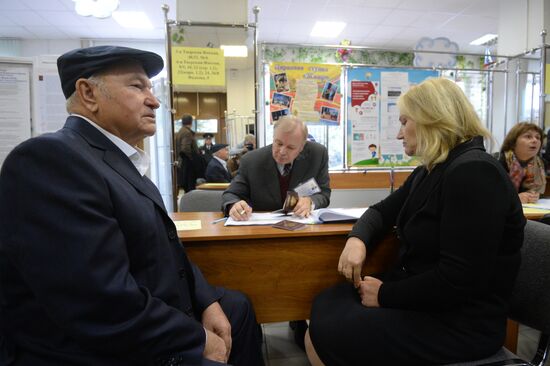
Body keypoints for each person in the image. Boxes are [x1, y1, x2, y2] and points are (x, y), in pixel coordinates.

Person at [0, 45, 263, 366]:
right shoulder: (49, 160)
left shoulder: (119, 162)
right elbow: (98, 302)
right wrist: (198, 339)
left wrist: (207, 301)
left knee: (238, 308)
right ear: (88, 93)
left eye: (151, 88)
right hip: (96, 347)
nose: (154, 100)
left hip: (150, 304)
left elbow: (171, 248)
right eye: (137, 86)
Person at [306, 78, 526, 366]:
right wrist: (357, 238)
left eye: (404, 121)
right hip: (427, 301)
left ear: (430, 119)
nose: (399, 134)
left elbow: (458, 280)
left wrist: (386, 294)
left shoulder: (475, 174)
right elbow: (382, 211)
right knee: (326, 304)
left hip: (461, 323)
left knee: (333, 329)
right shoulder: (434, 169)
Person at [222, 115, 331, 220]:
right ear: (273, 138)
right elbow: (231, 194)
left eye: (290, 147)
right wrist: (234, 205)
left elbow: (324, 194)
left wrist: (310, 202)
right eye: (278, 143)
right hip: (263, 230)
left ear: (302, 147)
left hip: (303, 225)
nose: (282, 151)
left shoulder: (317, 155)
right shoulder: (251, 161)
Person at [498, 122, 546, 204]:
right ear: (513, 142)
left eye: (538, 137)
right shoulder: (499, 161)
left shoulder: (538, 163)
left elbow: (537, 190)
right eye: (528, 136)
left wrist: (534, 196)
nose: (535, 140)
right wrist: (515, 198)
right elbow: (492, 194)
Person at [175, 114, 205, 192]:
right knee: (190, 187)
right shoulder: (187, 132)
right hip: (188, 165)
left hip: (183, 163)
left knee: (187, 187)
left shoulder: (180, 131)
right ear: (191, 122)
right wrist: (194, 160)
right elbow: (185, 148)